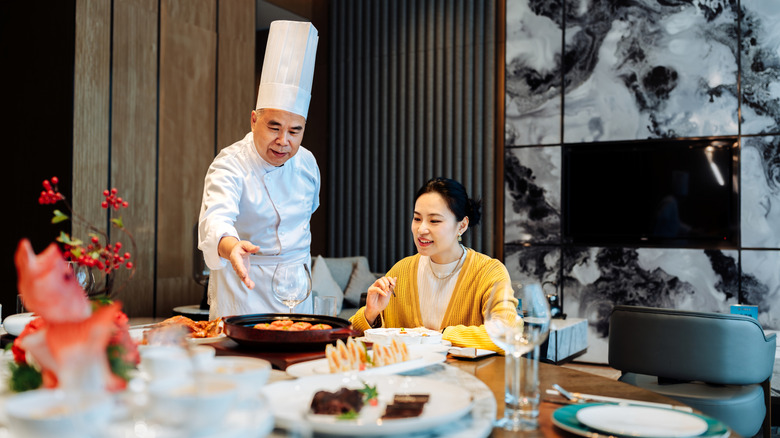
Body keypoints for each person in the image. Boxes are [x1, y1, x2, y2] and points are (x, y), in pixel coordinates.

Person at [198, 21, 320, 319]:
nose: (283, 141)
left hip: (297, 294)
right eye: (274, 127)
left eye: (295, 131)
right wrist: (232, 248)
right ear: (254, 120)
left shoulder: (307, 163)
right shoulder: (230, 164)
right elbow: (215, 220)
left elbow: (308, 213)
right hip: (244, 293)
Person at [350, 178, 513, 352]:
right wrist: (370, 314)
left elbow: (507, 333)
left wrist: (438, 336)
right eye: (417, 218)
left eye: (434, 221)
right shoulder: (401, 271)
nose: (421, 229)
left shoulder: (488, 272)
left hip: (464, 370)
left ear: (462, 226)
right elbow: (348, 335)